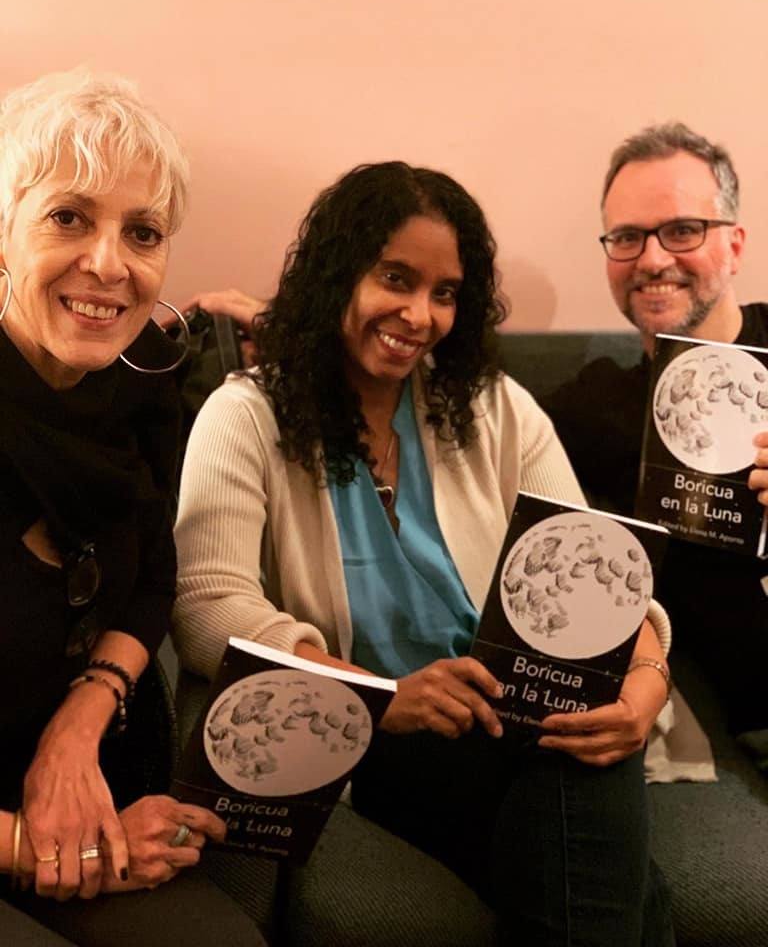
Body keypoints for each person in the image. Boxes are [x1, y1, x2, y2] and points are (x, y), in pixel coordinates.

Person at [174, 161, 674, 945]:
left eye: (445, 293)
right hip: (377, 744)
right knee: (616, 864)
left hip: (512, 721)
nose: (420, 314)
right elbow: (209, 607)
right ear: (340, 274)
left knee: (583, 770)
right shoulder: (245, 417)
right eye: (396, 278)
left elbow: (598, 566)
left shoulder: (492, 408)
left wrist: (644, 688)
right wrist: (380, 696)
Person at [0, 68, 266, 946]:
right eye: (68, 216)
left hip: (96, 776)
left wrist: (78, 728)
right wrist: (39, 849)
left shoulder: (141, 380)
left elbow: (153, 577)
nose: (109, 264)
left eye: (142, 232)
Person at [543, 123, 768, 743]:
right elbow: (457, 421)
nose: (652, 259)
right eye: (627, 237)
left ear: (735, 245)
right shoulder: (590, 407)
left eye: (682, 230)